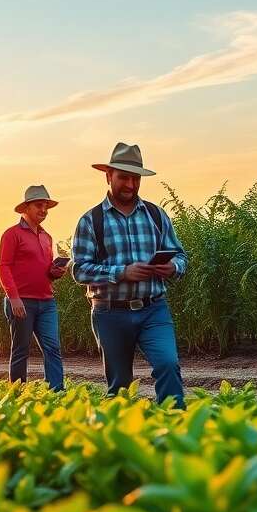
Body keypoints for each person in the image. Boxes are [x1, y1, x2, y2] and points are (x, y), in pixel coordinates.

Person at [70, 142, 188, 408]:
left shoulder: (156, 215)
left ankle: (175, 424)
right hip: (110, 313)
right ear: (108, 176)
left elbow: (181, 256)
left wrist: (173, 267)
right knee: (120, 385)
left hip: (153, 309)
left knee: (168, 364)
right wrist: (122, 273)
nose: (131, 185)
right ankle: (123, 430)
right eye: (124, 177)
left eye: (136, 179)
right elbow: (79, 270)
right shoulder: (91, 221)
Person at [0, 185, 67, 390]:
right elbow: (3, 267)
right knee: (21, 350)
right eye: (39, 205)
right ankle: (17, 393)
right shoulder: (11, 234)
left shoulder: (47, 237)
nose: (43, 210)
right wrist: (13, 298)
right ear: (26, 207)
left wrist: (55, 272)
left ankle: (57, 393)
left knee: (53, 348)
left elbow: (44, 271)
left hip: (47, 302)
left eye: (46, 206)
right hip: (22, 302)